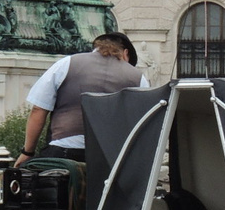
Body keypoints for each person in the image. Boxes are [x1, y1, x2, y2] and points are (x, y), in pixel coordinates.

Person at [18, 32, 146, 165]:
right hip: (110, 156)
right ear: (126, 53)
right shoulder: (138, 78)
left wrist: (27, 152)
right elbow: (142, 124)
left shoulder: (67, 63)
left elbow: (38, 109)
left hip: (63, 151)